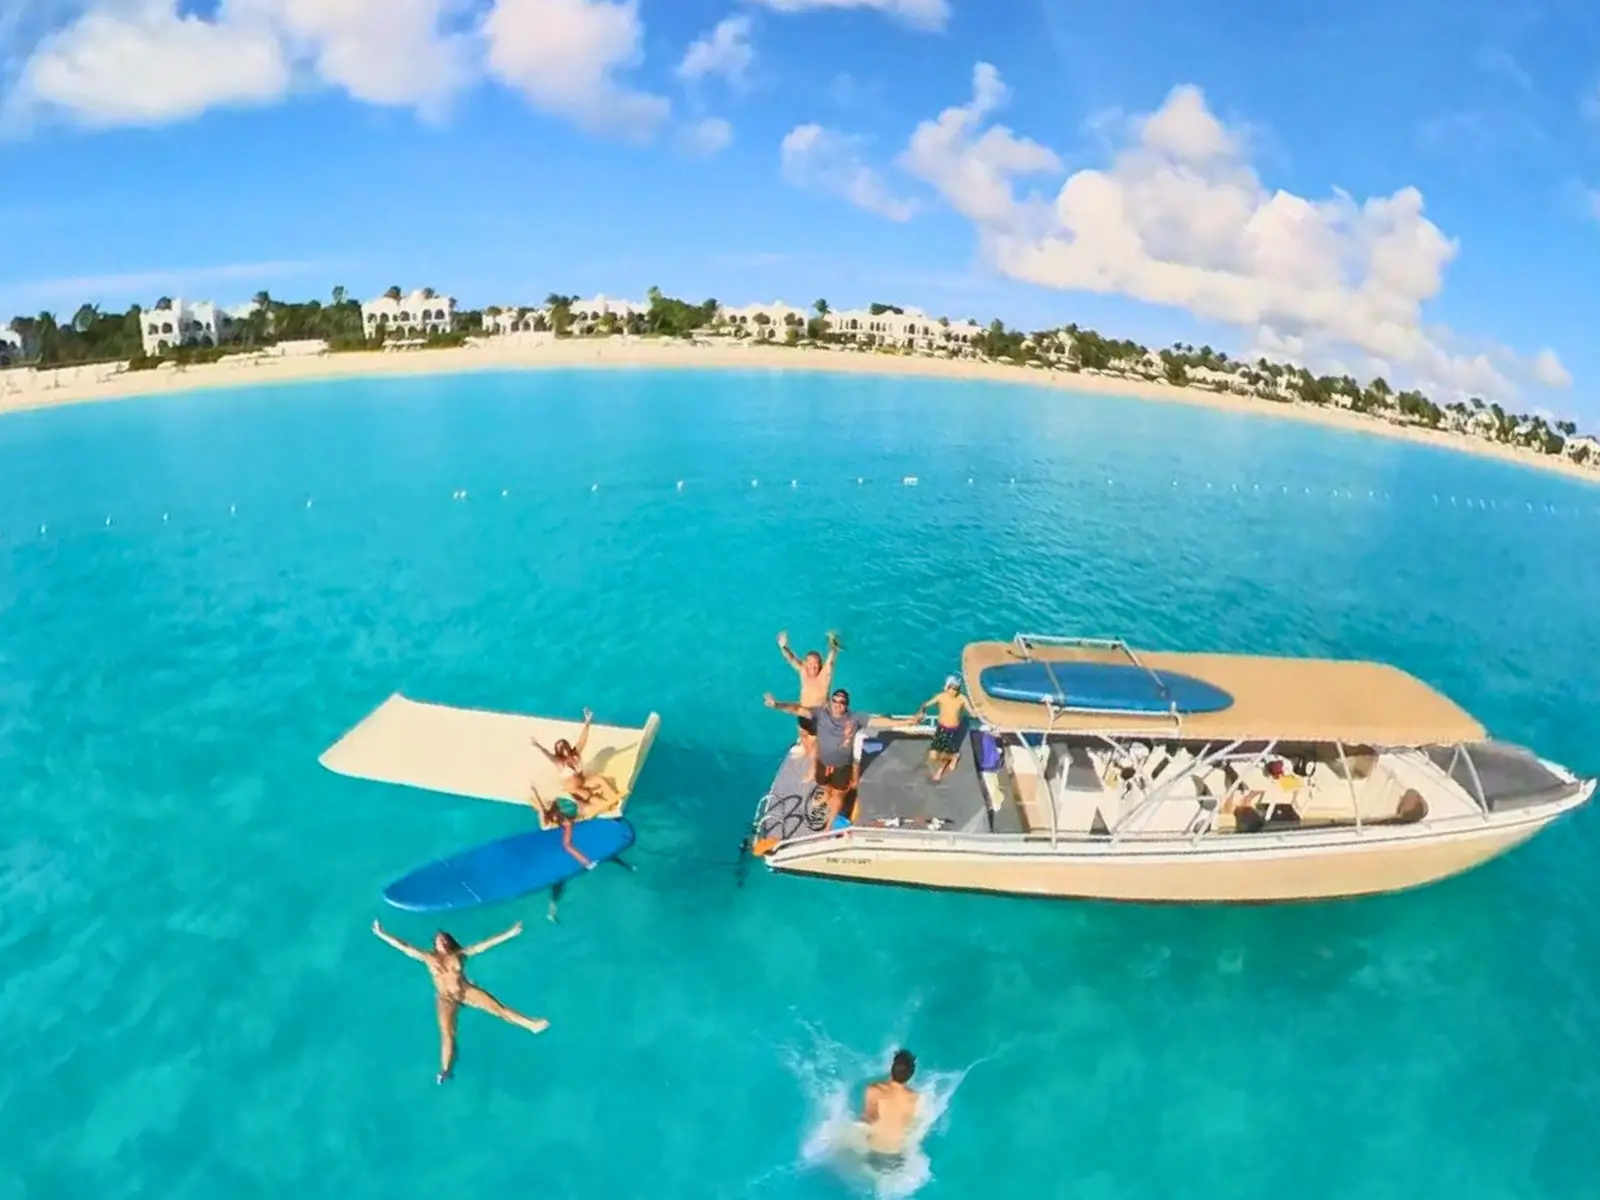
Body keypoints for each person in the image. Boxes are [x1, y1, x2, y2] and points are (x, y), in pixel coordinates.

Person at [370, 920, 549, 1083]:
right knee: (447, 1034)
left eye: (445, 940)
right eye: (439, 940)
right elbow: (404, 946)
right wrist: (382, 933)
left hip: (465, 991)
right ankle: (446, 1069)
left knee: (499, 1009)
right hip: (445, 998)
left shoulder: (459, 955)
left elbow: (483, 946)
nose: (442, 942)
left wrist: (509, 933)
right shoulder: (428, 958)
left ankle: (531, 1025)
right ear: (435, 944)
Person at [764, 686, 881, 827]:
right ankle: (826, 795)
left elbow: (878, 722)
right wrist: (777, 705)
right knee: (823, 784)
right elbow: (797, 709)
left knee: (838, 794)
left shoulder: (855, 719)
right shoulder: (822, 715)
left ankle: (828, 826)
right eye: (835, 701)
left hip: (842, 766)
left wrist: (908, 722)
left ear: (847, 705)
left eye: (842, 702)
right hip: (824, 763)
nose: (837, 704)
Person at [531, 707, 622, 814]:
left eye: (564, 744)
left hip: (584, 782)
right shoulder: (560, 763)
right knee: (593, 799)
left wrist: (588, 721)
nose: (563, 746)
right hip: (574, 790)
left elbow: (583, 739)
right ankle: (603, 807)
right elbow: (548, 755)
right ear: (558, 751)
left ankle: (615, 798)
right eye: (560, 746)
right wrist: (538, 746)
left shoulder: (576, 754)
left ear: (568, 745)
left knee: (599, 779)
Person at [776, 630, 841, 759]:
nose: (813, 667)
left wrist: (833, 645)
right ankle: (805, 749)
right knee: (802, 732)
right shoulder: (803, 671)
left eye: (816, 664)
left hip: (818, 716)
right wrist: (784, 647)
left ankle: (818, 758)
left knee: (815, 746)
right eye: (810, 663)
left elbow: (831, 660)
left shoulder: (824, 675)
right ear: (806, 663)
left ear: (820, 665)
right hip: (803, 713)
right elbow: (792, 659)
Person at [859, 1049, 920, 1170]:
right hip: (897, 1154)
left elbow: (869, 1118)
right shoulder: (914, 1098)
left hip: (875, 1150)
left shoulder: (874, 1090)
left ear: (892, 1069)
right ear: (911, 1074)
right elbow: (910, 1125)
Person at [915, 676, 970, 782]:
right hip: (941, 729)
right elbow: (925, 704)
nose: (954, 692)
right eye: (952, 689)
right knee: (933, 756)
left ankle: (939, 772)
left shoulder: (962, 699)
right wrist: (921, 712)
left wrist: (979, 713)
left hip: (952, 730)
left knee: (943, 755)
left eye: (956, 689)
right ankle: (954, 756)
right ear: (947, 688)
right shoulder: (941, 697)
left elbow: (972, 712)